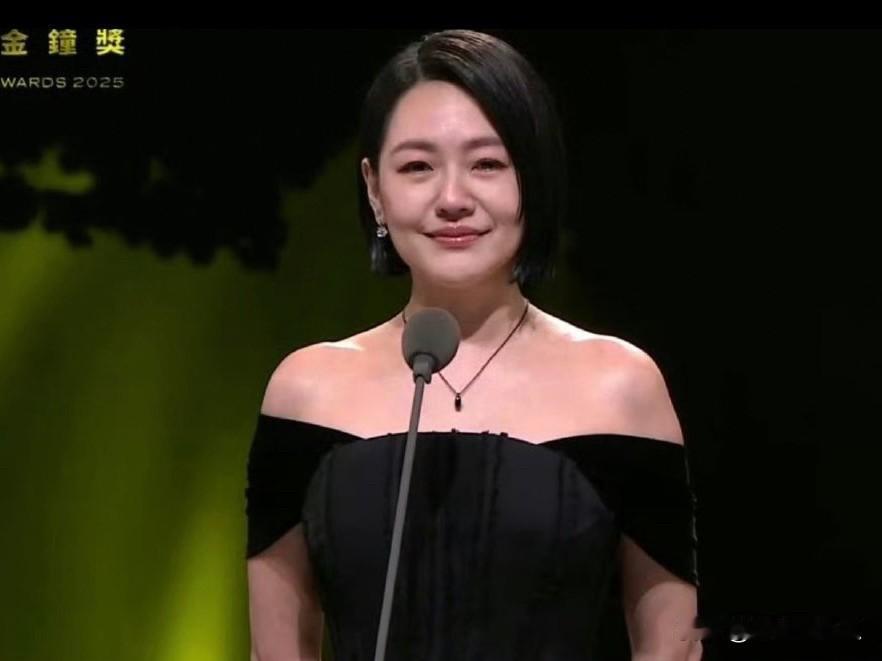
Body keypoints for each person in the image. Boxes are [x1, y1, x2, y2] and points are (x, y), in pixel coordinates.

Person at [245, 29, 701, 660]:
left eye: (487, 164)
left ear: (533, 177)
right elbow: (276, 648)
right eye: (417, 167)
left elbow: (672, 645)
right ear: (375, 190)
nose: (453, 199)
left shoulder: (620, 385)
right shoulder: (306, 392)